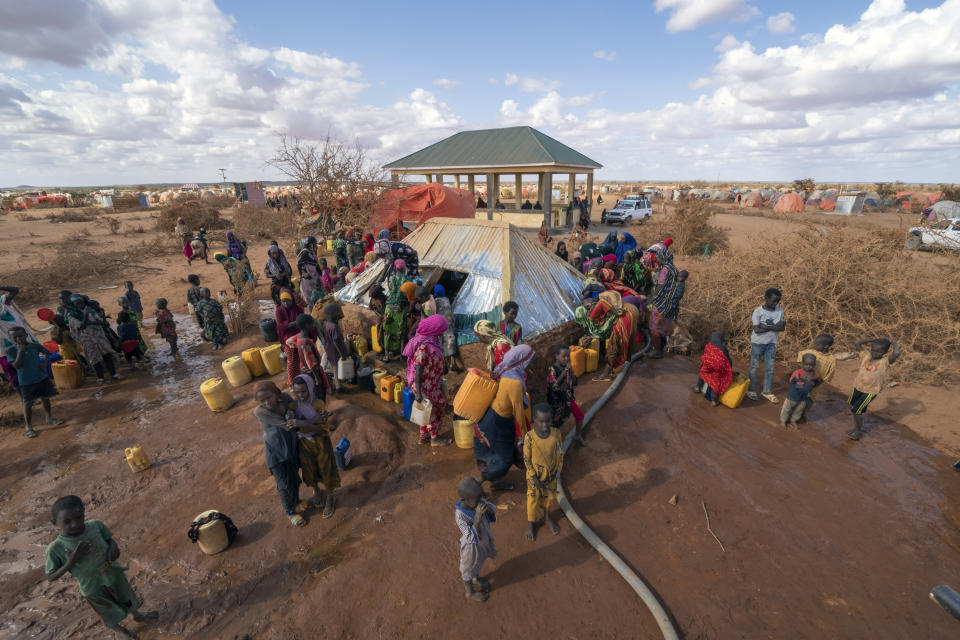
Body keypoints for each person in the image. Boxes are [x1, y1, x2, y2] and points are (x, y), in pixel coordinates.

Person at [45, 495, 157, 637]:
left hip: (113, 574)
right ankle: (123, 632)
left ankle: (138, 616)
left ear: (84, 511)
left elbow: (109, 540)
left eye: (79, 517)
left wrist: (113, 547)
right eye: (67, 522)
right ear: (54, 522)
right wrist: (70, 563)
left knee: (127, 598)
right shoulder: (55, 548)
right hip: (92, 587)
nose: (75, 524)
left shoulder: (95, 526)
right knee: (108, 613)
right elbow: (50, 576)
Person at [474, 344, 534, 491]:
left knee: (489, 451)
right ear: (522, 360)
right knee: (504, 458)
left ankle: (493, 482)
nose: (529, 364)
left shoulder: (502, 368)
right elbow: (519, 413)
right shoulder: (515, 381)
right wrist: (525, 438)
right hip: (500, 422)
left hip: (487, 417)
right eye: (529, 360)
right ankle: (476, 484)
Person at [253, 381, 307, 527]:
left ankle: (296, 502)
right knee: (283, 483)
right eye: (261, 400)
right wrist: (290, 416)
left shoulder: (284, 397)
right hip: (276, 452)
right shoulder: (260, 412)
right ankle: (290, 512)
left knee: (294, 477)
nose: (266, 402)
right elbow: (287, 425)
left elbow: (293, 408)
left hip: (290, 447)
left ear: (276, 394)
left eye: (269, 397)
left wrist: (290, 412)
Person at [290, 375, 339, 518]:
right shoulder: (293, 406)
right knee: (309, 470)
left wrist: (303, 423)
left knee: (326, 469)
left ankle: (330, 497)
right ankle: (317, 493)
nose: (300, 395)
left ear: (310, 389)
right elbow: (291, 423)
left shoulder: (318, 405)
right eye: (297, 392)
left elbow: (323, 429)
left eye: (304, 391)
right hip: (304, 445)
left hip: (320, 443)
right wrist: (311, 420)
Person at [5, 327, 64, 437]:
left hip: (41, 377)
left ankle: (49, 418)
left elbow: (46, 352)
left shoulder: (34, 346)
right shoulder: (11, 350)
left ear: (26, 335)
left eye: (20, 336)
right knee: (27, 403)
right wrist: (20, 351)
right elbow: (16, 365)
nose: (18, 339)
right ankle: (28, 427)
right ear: (11, 338)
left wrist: (44, 363)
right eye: (15, 337)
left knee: (45, 397)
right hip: (26, 381)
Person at [404, 314, 451, 446]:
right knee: (438, 408)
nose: (443, 332)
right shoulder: (424, 346)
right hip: (424, 385)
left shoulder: (432, 340)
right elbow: (418, 370)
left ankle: (423, 436)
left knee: (426, 409)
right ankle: (434, 438)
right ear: (435, 329)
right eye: (442, 330)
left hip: (431, 383)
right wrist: (419, 392)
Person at [847, 337, 900, 441]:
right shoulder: (866, 355)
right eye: (873, 350)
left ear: (885, 352)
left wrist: (892, 342)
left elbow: (896, 352)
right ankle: (856, 426)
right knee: (854, 406)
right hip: (858, 386)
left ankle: (858, 431)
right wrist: (874, 339)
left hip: (870, 391)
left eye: (879, 351)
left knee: (856, 410)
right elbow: (857, 342)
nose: (875, 353)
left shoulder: (885, 361)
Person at [524, 403, 564, 541]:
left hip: (550, 475)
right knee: (532, 499)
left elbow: (559, 454)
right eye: (541, 421)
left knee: (548, 497)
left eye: (548, 421)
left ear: (552, 419)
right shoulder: (529, 437)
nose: (545, 425)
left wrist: (556, 472)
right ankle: (531, 523)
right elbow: (526, 460)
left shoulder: (556, 434)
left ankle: (547, 517)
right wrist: (534, 477)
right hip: (534, 477)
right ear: (534, 420)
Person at [795, 334, 855, 422]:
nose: (815, 346)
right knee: (799, 396)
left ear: (826, 346)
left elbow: (830, 373)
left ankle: (804, 413)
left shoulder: (831, 359)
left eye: (818, 344)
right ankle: (795, 414)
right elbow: (800, 357)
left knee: (811, 399)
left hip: (816, 383)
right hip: (803, 380)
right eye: (815, 343)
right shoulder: (810, 352)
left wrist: (820, 382)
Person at [455, 477, 496, 603]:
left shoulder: (478, 500)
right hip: (471, 547)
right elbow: (468, 534)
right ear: (464, 499)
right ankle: (470, 591)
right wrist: (477, 518)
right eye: (477, 498)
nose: (481, 500)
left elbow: (490, 510)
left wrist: (489, 509)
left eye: (481, 496)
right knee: (467, 568)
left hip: (482, 540)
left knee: (478, 562)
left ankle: (476, 579)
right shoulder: (460, 515)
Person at [67, 295, 120, 384]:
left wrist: (90, 320)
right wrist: (86, 315)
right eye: (76, 304)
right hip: (86, 339)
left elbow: (101, 321)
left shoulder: (90, 310)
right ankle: (100, 377)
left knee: (106, 355)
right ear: (73, 305)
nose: (79, 305)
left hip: (98, 336)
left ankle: (113, 374)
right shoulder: (72, 315)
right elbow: (81, 326)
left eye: (80, 303)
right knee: (94, 358)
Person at [747, 288, 786, 403]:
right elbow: (757, 330)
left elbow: (782, 327)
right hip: (758, 343)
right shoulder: (758, 311)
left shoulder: (780, 311)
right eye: (773, 301)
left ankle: (767, 391)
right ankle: (751, 390)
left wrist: (766, 326)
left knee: (770, 369)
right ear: (766, 299)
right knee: (754, 366)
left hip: (772, 343)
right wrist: (775, 327)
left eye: (777, 301)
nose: (775, 304)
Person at [591, 291, 640, 382]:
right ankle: (619, 367)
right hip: (631, 310)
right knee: (625, 341)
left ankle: (606, 374)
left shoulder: (594, 311)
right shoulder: (610, 298)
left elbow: (602, 303)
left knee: (614, 344)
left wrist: (616, 312)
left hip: (625, 315)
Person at [645, 243, 681, 358]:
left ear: (664, 258)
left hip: (662, 304)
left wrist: (654, 300)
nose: (657, 259)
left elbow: (660, 288)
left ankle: (657, 351)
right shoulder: (674, 268)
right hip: (671, 304)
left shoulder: (665, 269)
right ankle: (661, 348)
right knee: (663, 328)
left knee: (655, 328)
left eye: (659, 257)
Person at [546, 345, 585, 446]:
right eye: (564, 356)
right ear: (556, 356)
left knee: (580, 415)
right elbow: (553, 386)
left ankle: (578, 435)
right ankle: (550, 446)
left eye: (568, 356)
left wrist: (571, 372)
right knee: (555, 424)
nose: (566, 359)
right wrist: (564, 373)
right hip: (557, 402)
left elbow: (575, 382)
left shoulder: (567, 368)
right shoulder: (552, 369)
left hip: (568, 399)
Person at [288, 314, 327, 399]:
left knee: (313, 392)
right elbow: (311, 364)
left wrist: (297, 346)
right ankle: (321, 410)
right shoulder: (305, 342)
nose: (314, 325)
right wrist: (317, 378)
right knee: (319, 392)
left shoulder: (299, 336)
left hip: (304, 369)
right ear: (307, 325)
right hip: (312, 373)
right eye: (312, 323)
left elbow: (288, 341)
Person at [781, 354, 822, 429]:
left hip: (804, 397)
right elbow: (791, 381)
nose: (809, 366)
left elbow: (816, 383)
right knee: (787, 408)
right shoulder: (797, 373)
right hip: (793, 395)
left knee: (799, 410)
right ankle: (783, 420)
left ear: (814, 365)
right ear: (802, 364)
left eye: (811, 365)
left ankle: (793, 420)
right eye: (806, 364)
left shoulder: (815, 375)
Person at [381, 259, 411, 361]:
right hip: (401, 309)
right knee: (401, 332)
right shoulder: (408, 279)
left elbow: (390, 290)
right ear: (405, 268)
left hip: (389, 308)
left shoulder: (390, 278)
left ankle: (386, 355)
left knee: (387, 332)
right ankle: (402, 355)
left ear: (394, 267)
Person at [694, 331, 733, 407]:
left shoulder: (708, 346)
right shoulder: (723, 349)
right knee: (716, 384)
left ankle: (698, 387)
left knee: (703, 374)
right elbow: (728, 361)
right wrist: (729, 369)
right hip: (717, 372)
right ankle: (714, 401)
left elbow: (706, 356)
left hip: (707, 368)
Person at [276, 290, 305, 385]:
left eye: (287, 301)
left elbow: (302, 322)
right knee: (292, 362)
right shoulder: (279, 311)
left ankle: (303, 378)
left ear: (292, 299)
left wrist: (290, 325)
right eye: (283, 301)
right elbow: (280, 326)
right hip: (287, 340)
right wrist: (293, 324)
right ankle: (292, 382)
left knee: (303, 358)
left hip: (299, 337)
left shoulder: (298, 309)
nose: (285, 303)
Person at [319, 304, 350, 394]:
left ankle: (338, 385)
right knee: (336, 368)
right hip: (336, 351)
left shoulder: (325, 323)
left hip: (329, 349)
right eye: (336, 311)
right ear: (332, 313)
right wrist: (341, 354)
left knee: (334, 367)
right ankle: (338, 387)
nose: (338, 313)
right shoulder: (333, 327)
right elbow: (336, 341)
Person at [433, 285, 464, 372]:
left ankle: (444, 365)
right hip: (449, 323)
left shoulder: (435, 301)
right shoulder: (446, 299)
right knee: (450, 342)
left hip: (440, 325)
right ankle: (452, 363)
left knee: (442, 344)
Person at [296, 237, 321, 306]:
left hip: (312, 280)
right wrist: (304, 273)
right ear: (309, 245)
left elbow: (316, 265)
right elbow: (300, 265)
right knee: (311, 300)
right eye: (314, 244)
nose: (316, 246)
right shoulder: (305, 254)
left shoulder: (311, 253)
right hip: (308, 282)